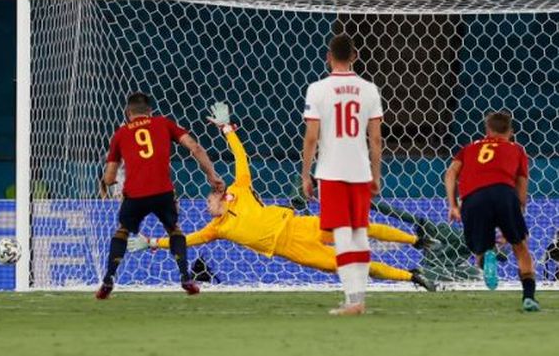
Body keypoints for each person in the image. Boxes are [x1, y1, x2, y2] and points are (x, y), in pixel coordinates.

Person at [128, 103, 436, 292]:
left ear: (218, 195)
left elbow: (241, 158)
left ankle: (416, 241)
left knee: (357, 227)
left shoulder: (239, 190)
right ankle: (412, 276)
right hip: (291, 249)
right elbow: (187, 240)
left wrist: (226, 129)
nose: (205, 207)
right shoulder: (217, 230)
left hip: (298, 226)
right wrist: (153, 243)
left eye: (207, 201)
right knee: (353, 264)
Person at [96, 92, 224, 299]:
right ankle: (185, 276)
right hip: (163, 192)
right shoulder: (163, 123)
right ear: (150, 111)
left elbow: (110, 177)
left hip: (135, 195)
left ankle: (108, 279)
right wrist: (212, 175)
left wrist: (112, 181)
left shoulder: (120, 134)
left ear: (128, 113)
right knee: (174, 229)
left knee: (122, 231)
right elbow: (195, 147)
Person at [301, 34, 383, 315]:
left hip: (332, 171)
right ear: (355, 56)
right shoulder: (370, 89)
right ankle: (358, 298)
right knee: (360, 232)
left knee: (343, 234)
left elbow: (311, 137)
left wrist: (305, 174)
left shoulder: (317, 89)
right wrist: (376, 173)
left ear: (328, 56)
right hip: (360, 170)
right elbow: (375, 139)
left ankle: (352, 300)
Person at [445, 111, 539, 311]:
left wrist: (453, 205)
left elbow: (451, 172)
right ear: (511, 132)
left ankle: (486, 254)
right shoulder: (517, 149)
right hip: (504, 194)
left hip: (473, 198)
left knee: (479, 248)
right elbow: (521, 186)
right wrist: (517, 211)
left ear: (487, 130)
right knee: (521, 247)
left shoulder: (469, 148)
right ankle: (529, 297)